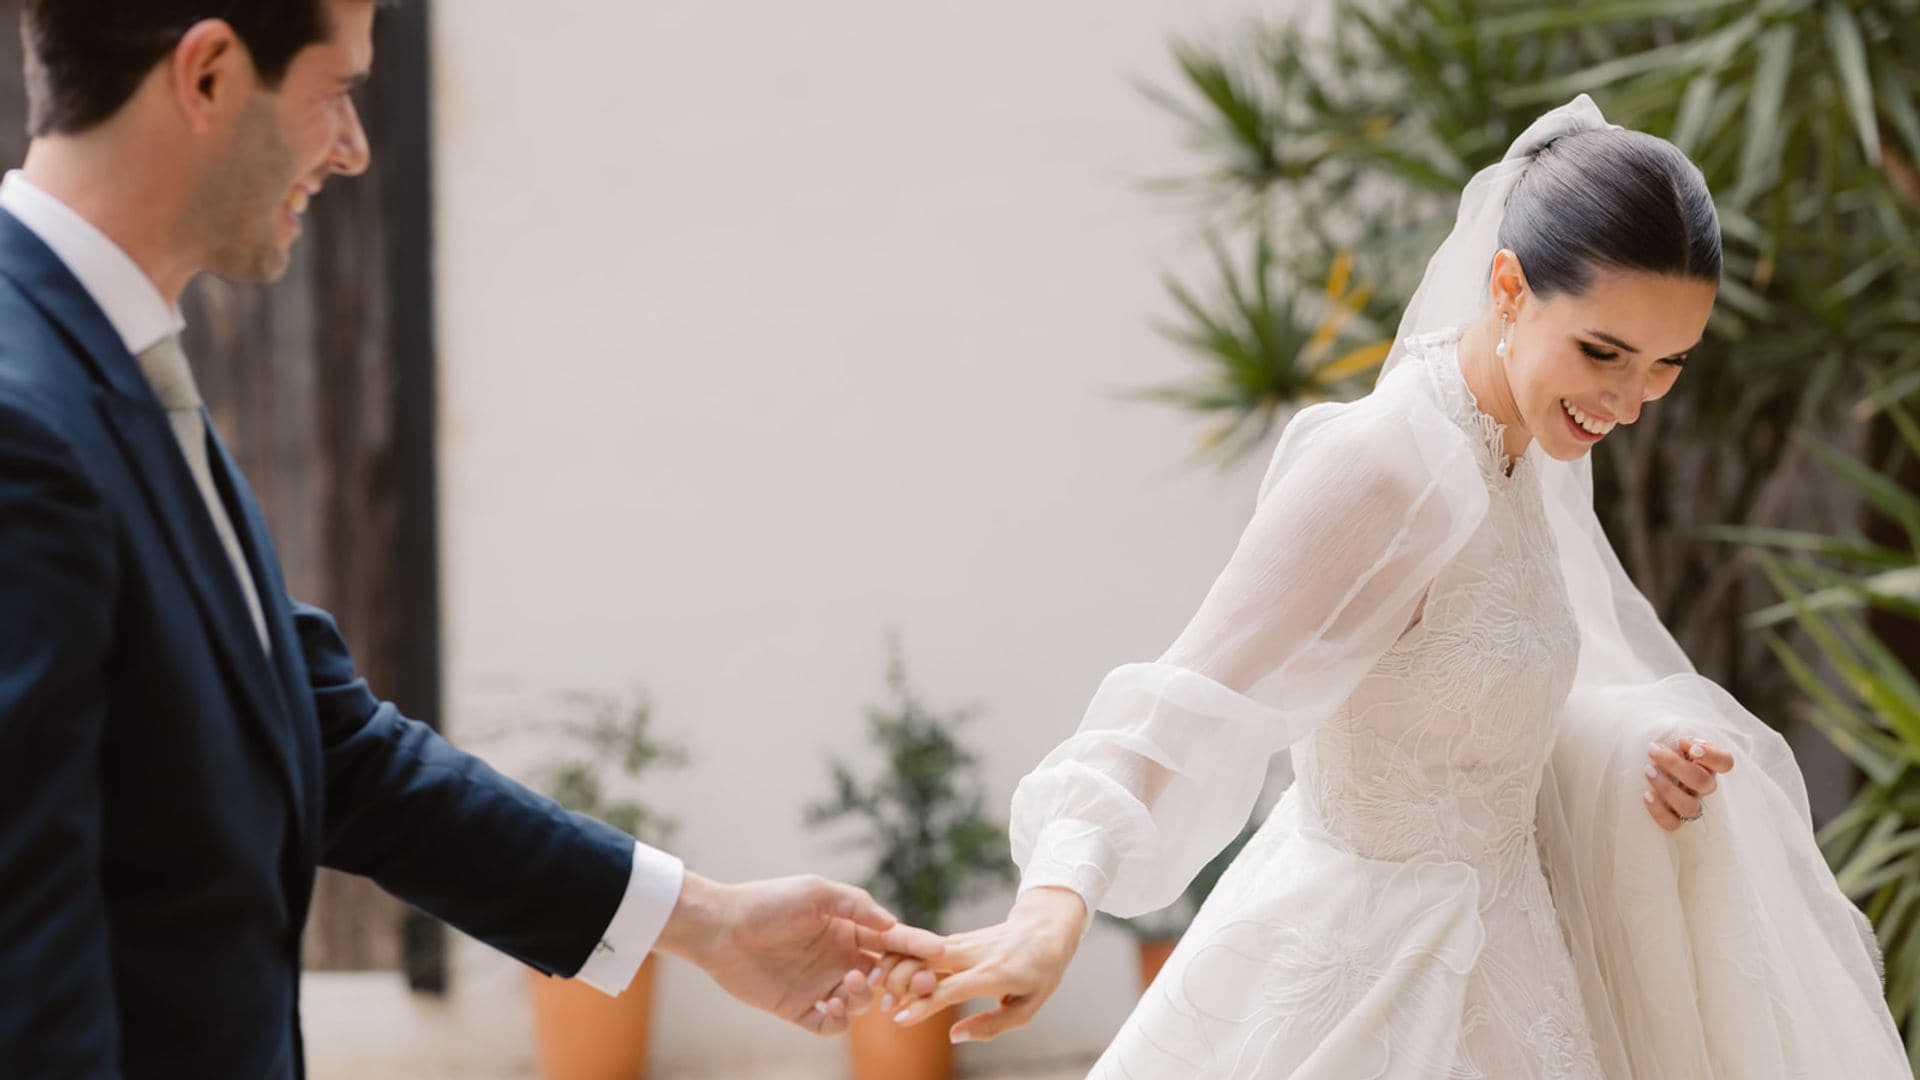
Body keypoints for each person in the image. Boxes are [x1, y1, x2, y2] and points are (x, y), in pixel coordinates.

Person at [865, 95, 1908, 1076]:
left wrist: (1627, 745)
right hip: (1362, 978)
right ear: (1509, 289)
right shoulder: (1383, 464)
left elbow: (1465, 694)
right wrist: (1054, 906)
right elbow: (1180, 697)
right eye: (1605, 352)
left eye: (1668, 364)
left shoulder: (1524, 452)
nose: (1631, 402)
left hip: (1513, 963)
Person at [0, 2, 937, 1074]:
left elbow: (331, 747)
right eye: (337, 92)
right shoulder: (23, 421)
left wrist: (710, 923)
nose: (353, 148)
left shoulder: (111, 369)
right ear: (208, 75)